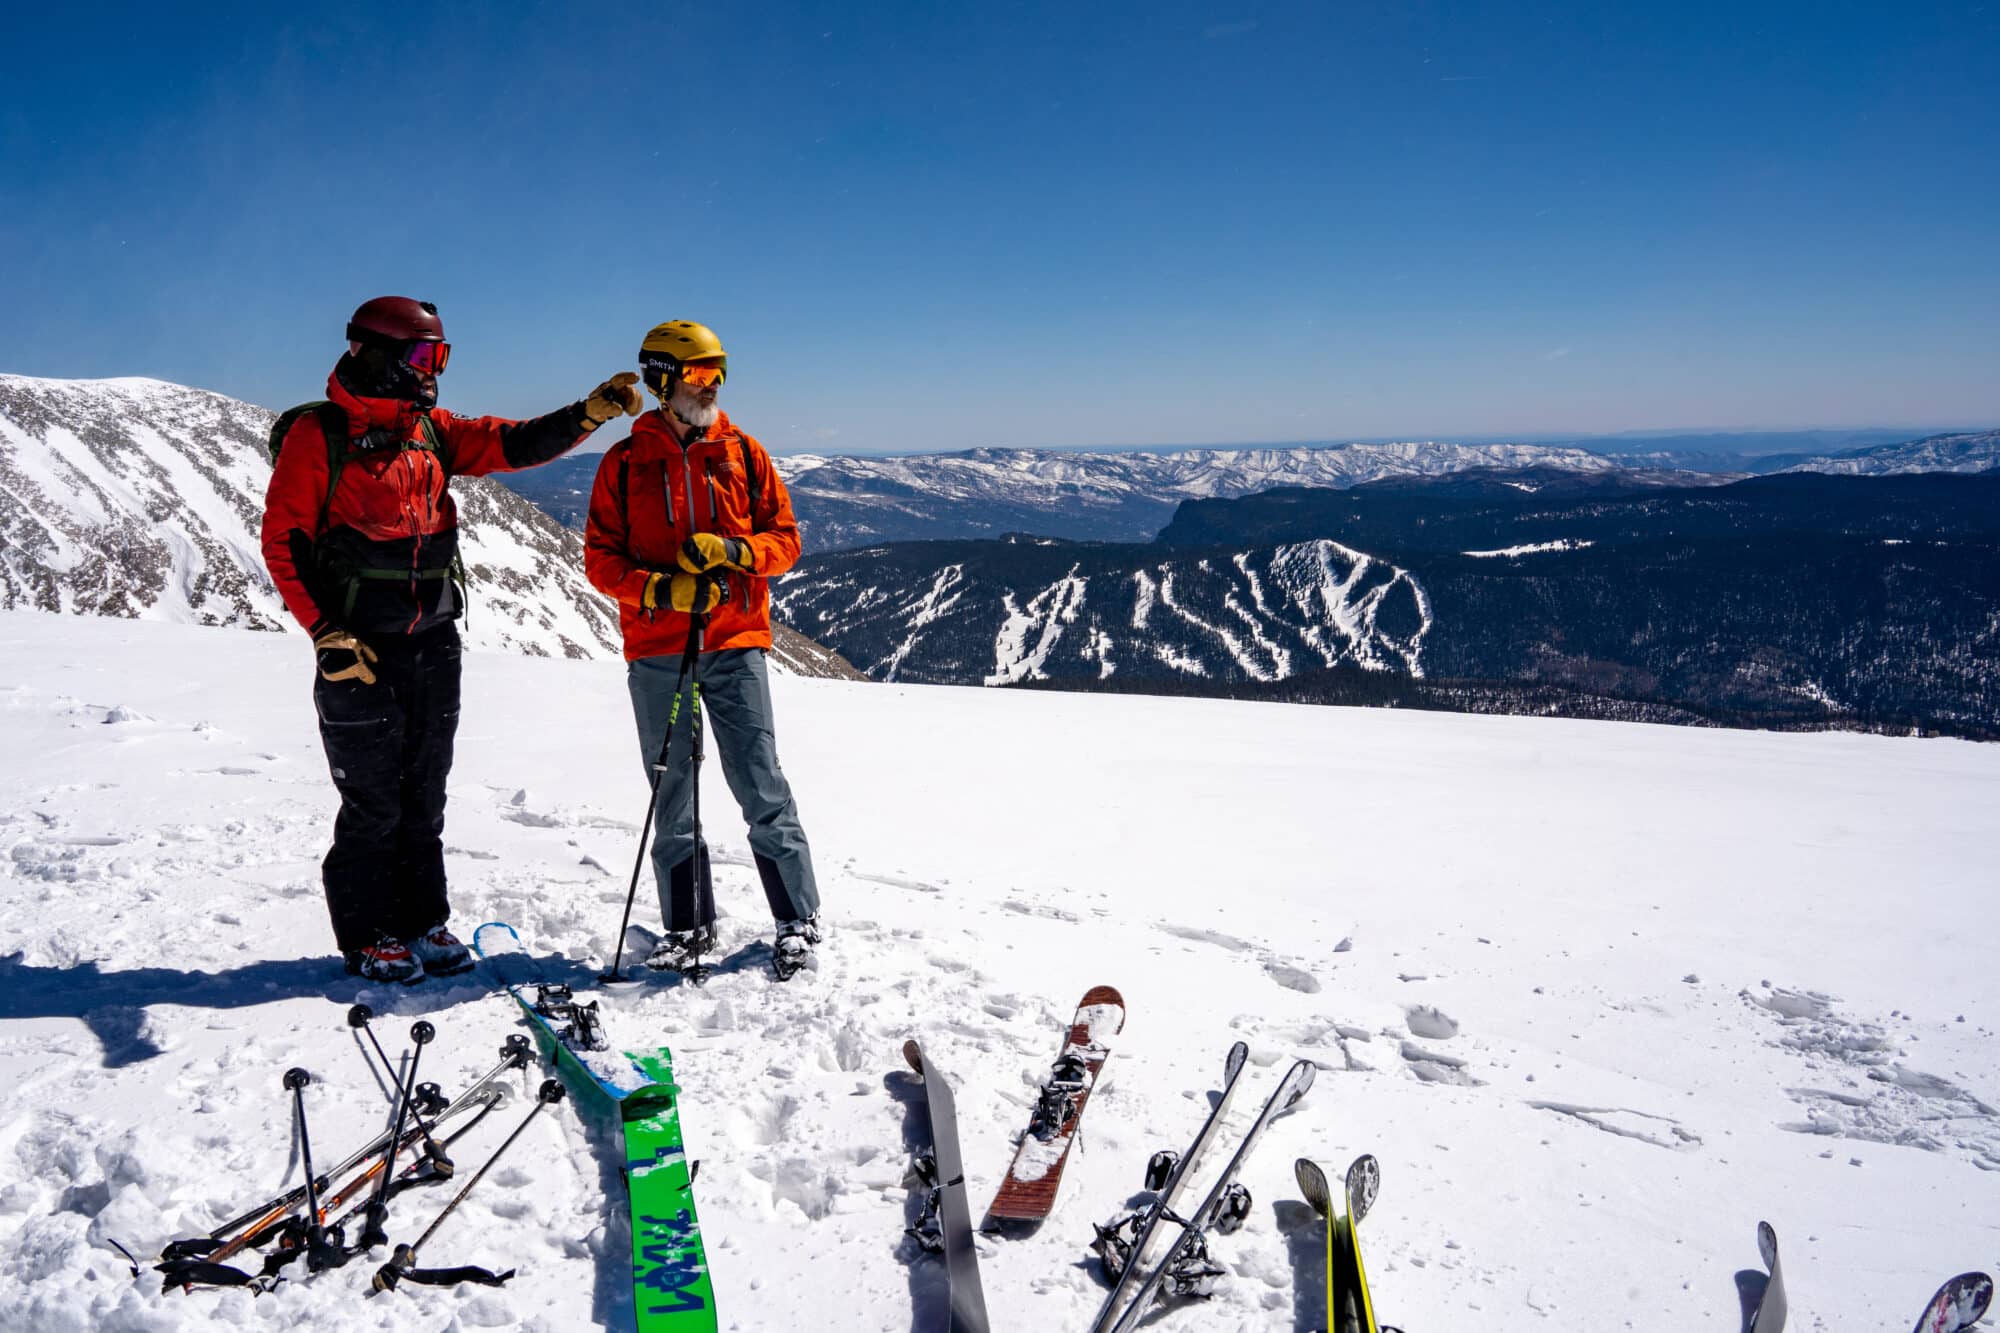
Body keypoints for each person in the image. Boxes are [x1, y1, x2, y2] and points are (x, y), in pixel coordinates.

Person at [261, 296, 643, 984]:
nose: (433, 371)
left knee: (425, 791)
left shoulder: (429, 430)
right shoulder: (320, 437)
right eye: (422, 356)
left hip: (434, 640)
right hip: (359, 648)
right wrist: (326, 633)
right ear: (372, 354)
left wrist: (586, 414)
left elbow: (508, 442)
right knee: (373, 797)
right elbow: (283, 541)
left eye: (440, 357)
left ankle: (421, 920)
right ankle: (371, 933)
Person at [583, 319, 822, 978]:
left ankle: (798, 920)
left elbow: (787, 540)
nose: (710, 384)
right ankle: (687, 927)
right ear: (663, 379)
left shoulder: (744, 453)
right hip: (658, 648)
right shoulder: (624, 463)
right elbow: (599, 561)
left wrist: (737, 551)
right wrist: (661, 590)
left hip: (735, 640)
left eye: (717, 371)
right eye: (695, 373)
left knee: (760, 781)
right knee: (673, 793)